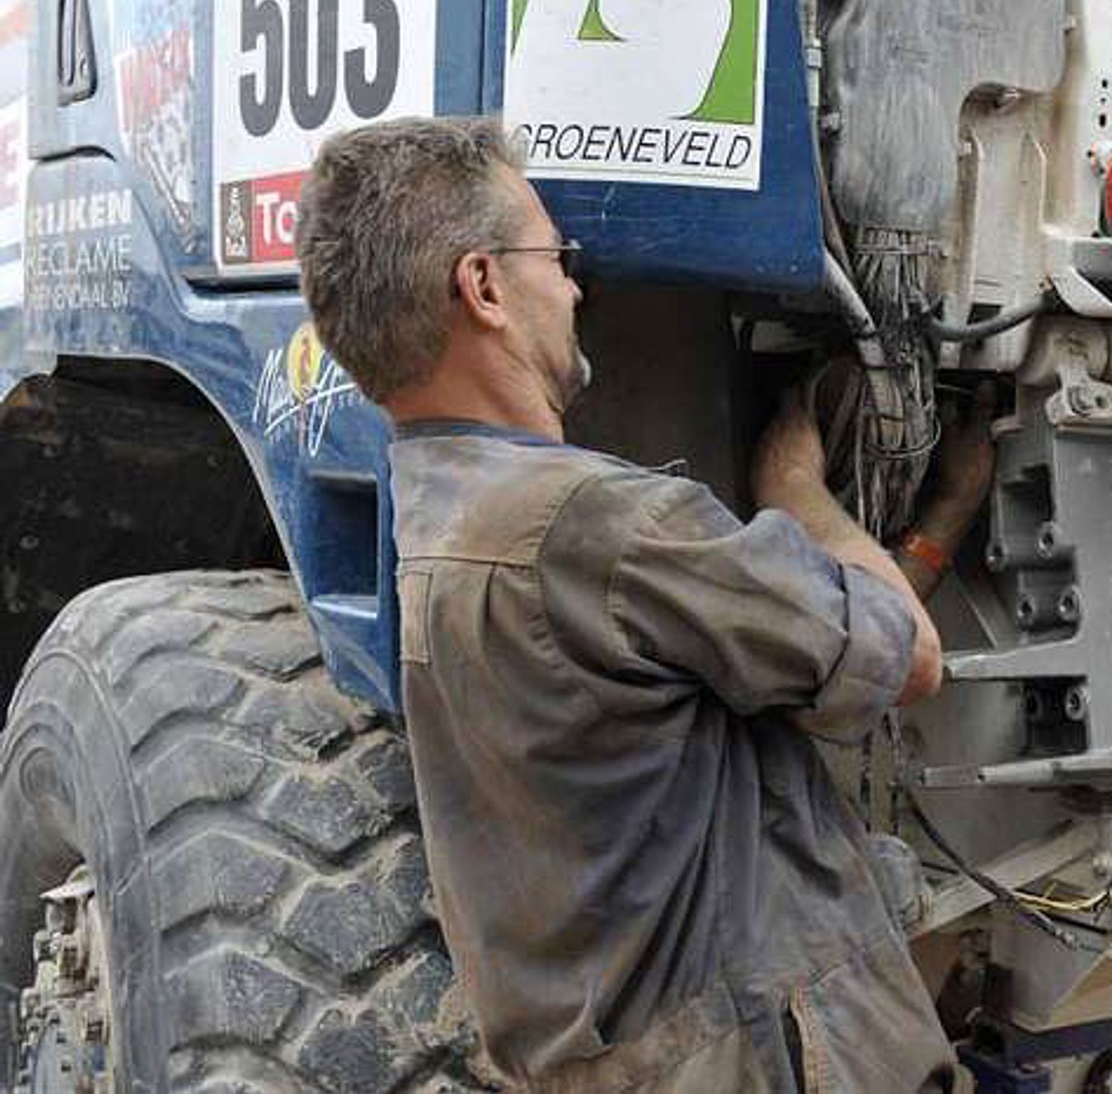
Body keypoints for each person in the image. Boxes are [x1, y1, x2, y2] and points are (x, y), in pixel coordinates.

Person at [297, 116, 982, 1092]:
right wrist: (800, 495)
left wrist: (934, 524)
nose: (573, 283)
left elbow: (779, 663)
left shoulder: (433, 515)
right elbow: (905, 659)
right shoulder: (599, 524)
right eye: (555, 254)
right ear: (483, 286)